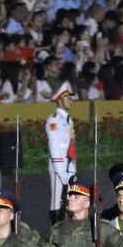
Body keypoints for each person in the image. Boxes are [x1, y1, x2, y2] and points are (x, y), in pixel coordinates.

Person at [45, 82, 77, 224]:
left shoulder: (68, 120)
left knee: (70, 197)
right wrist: (60, 169)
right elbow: (54, 146)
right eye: (67, 98)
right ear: (59, 100)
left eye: (71, 98)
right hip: (59, 164)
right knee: (57, 199)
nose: (71, 101)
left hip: (70, 163)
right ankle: (55, 228)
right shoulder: (54, 119)